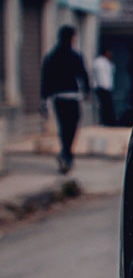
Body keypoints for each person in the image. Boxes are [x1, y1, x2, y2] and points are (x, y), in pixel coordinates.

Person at [41, 25, 90, 173]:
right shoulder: (75, 55)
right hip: (72, 97)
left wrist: (44, 99)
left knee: (64, 126)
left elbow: (45, 79)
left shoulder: (51, 56)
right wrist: (87, 91)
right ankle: (67, 153)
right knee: (72, 125)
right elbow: (83, 74)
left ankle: (66, 153)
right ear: (71, 38)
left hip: (58, 98)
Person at [91, 47, 115, 126]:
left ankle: (108, 121)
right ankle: (103, 121)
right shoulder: (99, 62)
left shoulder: (109, 63)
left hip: (107, 87)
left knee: (107, 105)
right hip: (101, 87)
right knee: (103, 105)